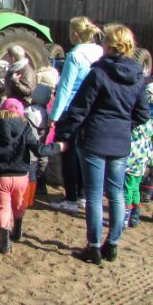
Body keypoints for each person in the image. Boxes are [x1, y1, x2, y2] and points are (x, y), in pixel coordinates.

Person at [56, 24, 150, 266]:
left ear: (107, 45)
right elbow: (143, 113)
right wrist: (124, 124)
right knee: (116, 193)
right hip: (120, 141)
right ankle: (113, 243)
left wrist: (63, 133)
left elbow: (79, 108)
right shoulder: (138, 76)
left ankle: (94, 246)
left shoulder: (98, 73)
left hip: (95, 139)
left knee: (95, 195)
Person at [0, 98, 64, 254]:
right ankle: (17, 231)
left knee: (3, 208)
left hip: (1, 176)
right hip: (22, 177)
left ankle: (4, 242)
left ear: (2, 111)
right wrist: (58, 146)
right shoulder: (25, 128)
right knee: (19, 204)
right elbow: (39, 150)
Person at [48, 17, 104, 214]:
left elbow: (65, 87)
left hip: (70, 109)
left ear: (74, 34)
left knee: (69, 154)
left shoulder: (74, 56)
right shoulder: (99, 52)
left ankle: (70, 197)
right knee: (84, 153)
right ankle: (82, 195)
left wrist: (54, 115)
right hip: (90, 109)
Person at [123, 83, 153, 228]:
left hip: (132, 151)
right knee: (135, 185)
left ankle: (124, 217)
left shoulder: (140, 110)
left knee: (127, 186)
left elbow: (134, 129)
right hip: (145, 152)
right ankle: (134, 215)